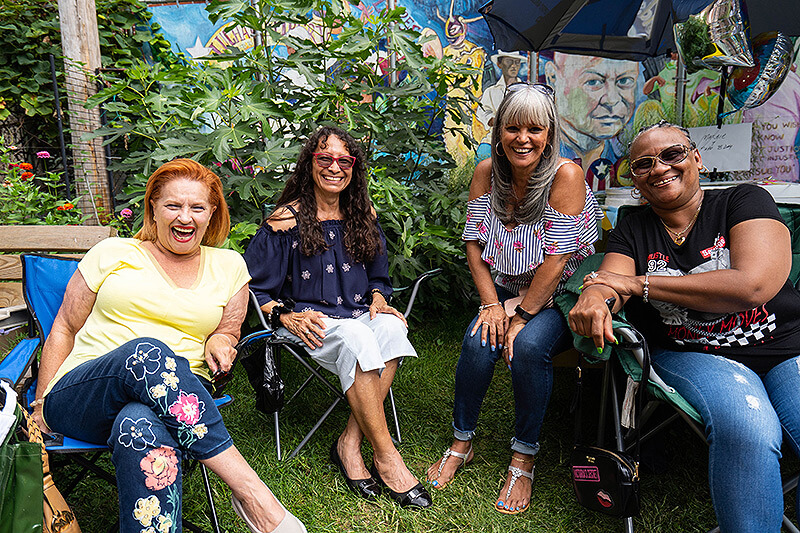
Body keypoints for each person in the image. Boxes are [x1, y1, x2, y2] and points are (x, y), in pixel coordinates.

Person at [29, 159, 306, 533]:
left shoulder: (229, 266)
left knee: (140, 424)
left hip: (176, 400)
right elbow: (63, 327)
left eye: (197, 207)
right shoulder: (113, 252)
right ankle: (252, 493)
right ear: (153, 209)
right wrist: (42, 402)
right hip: (83, 396)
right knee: (147, 352)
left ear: (212, 214)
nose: (185, 218)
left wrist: (222, 342)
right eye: (173, 206)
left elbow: (228, 330)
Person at [568, 121, 800, 532]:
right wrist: (592, 298)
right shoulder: (634, 226)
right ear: (636, 179)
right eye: (643, 164)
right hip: (696, 354)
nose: (659, 168)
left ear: (696, 157)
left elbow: (754, 284)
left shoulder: (743, 200)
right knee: (748, 428)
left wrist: (640, 283)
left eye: (672, 154)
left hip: (787, 345)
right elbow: (608, 283)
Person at [426, 83, 602, 514]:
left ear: (549, 134)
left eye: (534, 129)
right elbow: (473, 243)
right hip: (506, 282)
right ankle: (461, 442)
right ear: (498, 131)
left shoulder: (566, 175)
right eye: (513, 127)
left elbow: (559, 261)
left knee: (526, 347)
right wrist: (492, 305)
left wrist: (520, 315)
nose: (523, 138)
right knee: (476, 341)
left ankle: (523, 458)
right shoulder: (487, 170)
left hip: (561, 289)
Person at [243, 126, 432, 510]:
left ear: (354, 167)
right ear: (310, 163)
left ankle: (349, 443)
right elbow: (254, 289)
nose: (334, 167)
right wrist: (285, 316)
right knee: (360, 340)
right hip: (312, 324)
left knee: (393, 329)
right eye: (324, 158)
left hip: (360, 313)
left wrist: (380, 297)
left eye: (344, 160)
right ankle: (388, 458)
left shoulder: (362, 214)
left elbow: (379, 276)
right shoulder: (286, 221)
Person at [545, 52, 639, 190]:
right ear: (552, 77)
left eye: (624, 81)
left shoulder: (626, 159)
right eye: (593, 82)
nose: (612, 100)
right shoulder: (538, 157)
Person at [475, 50, 527, 162]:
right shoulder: (491, 92)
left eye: (517, 62)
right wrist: (494, 120)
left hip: (518, 141)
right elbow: (482, 112)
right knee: (481, 157)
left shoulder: (526, 92)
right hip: (493, 140)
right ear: (499, 64)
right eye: (509, 61)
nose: (513, 66)